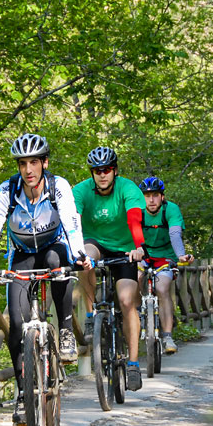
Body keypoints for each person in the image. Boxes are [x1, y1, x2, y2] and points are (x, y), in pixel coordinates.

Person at [0, 133, 89, 426]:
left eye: (34, 162)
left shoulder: (58, 186)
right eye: (23, 163)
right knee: (16, 323)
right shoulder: (8, 190)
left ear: (44, 163)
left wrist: (78, 255)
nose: (28, 170)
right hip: (22, 254)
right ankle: (24, 395)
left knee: (56, 263)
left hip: (55, 247)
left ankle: (64, 329)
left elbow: (71, 221)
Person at [72, 146, 148, 391]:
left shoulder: (128, 188)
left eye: (106, 170)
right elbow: (73, 219)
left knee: (126, 301)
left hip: (125, 248)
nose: (102, 175)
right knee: (84, 257)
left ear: (114, 171)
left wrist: (139, 246)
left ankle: (134, 364)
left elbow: (134, 218)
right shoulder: (81, 190)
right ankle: (92, 314)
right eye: (97, 171)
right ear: (92, 173)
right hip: (94, 243)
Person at [138, 176, 194, 354]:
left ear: (162, 196)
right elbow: (129, 235)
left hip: (166, 256)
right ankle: (139, 310)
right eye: (147, 196)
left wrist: (181, 256)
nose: (151, 200)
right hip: (144, 254)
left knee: (162, 289)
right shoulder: (137, 211)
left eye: (155, 195)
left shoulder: (171, 210)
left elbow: (175, 234)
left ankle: (168, 336)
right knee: (135, 278)